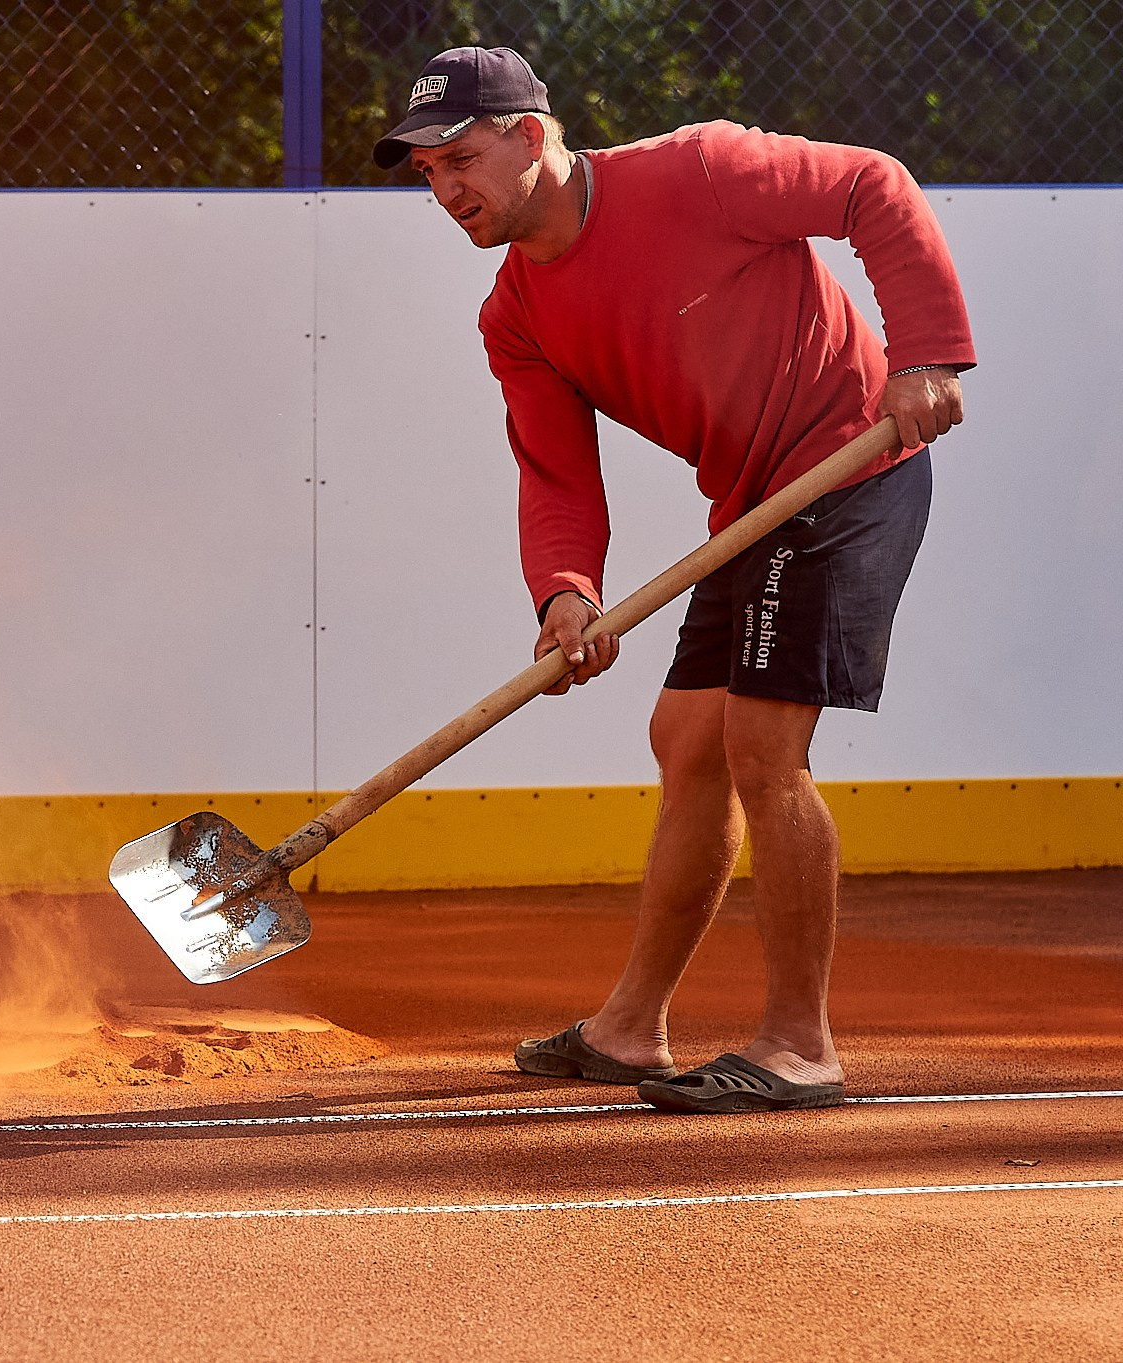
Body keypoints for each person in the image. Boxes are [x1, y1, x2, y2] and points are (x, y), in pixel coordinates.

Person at [373, 47, 974, 1113]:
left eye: (459, 158)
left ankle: (798, 1045)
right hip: (748, 508)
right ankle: (627, 1029)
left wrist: (923, 351)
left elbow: (870, 183)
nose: (445, 191)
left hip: (847, 469)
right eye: (425, 173)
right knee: (685, 740)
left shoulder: (697, 171)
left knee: (758, 742)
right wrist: (563, 590)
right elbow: (553, 471)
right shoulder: (512, 316)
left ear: (529, 134)